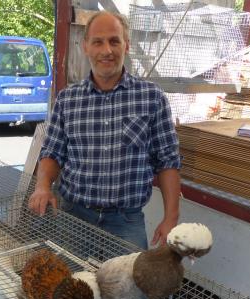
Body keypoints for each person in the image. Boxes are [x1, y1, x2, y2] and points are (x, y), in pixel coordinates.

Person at [28, 11, 181, 249]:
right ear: (85, 47)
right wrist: (42, 186)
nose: (106, 50)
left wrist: (171, 218)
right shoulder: (67, 100)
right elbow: (52, 152)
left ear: (127, 46)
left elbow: (167, 162)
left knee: (128, 287)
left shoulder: (151, 98)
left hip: (126, 222)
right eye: (98, 42)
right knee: (73, 285)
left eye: (114, 41)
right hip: (74, 219)